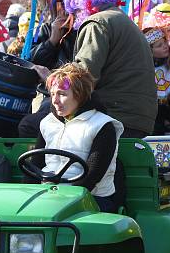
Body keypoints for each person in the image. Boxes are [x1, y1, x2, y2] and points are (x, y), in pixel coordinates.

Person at [65, 0, 157, 138]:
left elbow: (83, 76)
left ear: (86, 5)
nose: (74, 18)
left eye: (75, 12)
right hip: (139, 116)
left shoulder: (97, 23)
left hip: (113, 114)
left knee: (31, 124)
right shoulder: (123, 20)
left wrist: (52, 79)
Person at [34, 63, 124, 213]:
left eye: (62, 94)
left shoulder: (103, 126)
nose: (55, 100)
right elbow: (35, 164)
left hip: (92, 198)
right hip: (50, 195)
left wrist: (64, 201)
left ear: (79, 95)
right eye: (53, 94)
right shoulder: (47, 123)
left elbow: (92, 176)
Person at [146, 27, 170, 135]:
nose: (165, 46)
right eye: (159, 46)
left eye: (164, 42)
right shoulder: (143, 69)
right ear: (149, 51)